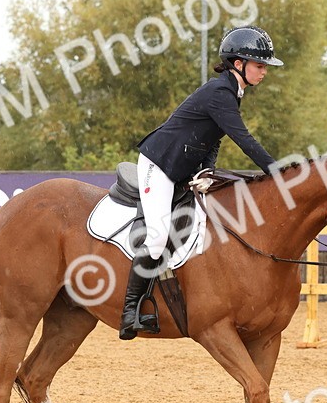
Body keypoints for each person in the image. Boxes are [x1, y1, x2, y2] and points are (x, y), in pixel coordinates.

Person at [119, 25, 284, 340]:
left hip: (182, 168)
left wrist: (207, 171)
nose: (264, 71)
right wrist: (275, 170)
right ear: (239, 64)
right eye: (260, 65)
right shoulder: (220, 92)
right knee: (157, 236)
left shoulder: (230, 92)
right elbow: (243, 139)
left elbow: (213, 139)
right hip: (159, 165)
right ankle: (130, 310)